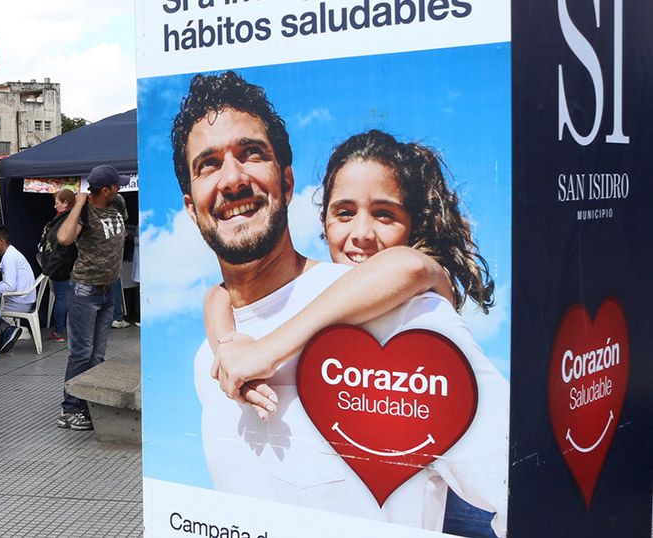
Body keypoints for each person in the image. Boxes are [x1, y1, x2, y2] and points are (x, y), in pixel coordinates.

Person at [171, 71, 507, 535]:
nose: (232, 178)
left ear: (287, 182)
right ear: (191, 206)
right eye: (208, 163)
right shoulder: (209, 359)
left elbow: (525, 483)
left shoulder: (400, 317)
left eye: (251, 153)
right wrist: (227, 338)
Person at [55, 166, 129, 431]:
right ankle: (69, 409)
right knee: (81, 352)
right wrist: (79, 203)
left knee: (97, 354)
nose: (120, 189)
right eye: (116, 186)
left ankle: (88, 404)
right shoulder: (84, 212)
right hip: (85, 290)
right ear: (105, 189)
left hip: (108, 290)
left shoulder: (117, 204)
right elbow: (64, 238)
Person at [0, 226, 35, 353]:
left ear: (1, 241)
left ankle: (4, 332)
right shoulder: (11, 254)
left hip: (19, 303)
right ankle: (2, 333)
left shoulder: (9, 257)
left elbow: (10, 286)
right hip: (23, 300)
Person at [37, 189, 77, 341]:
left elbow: (59, 244)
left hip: (61, 265)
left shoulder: (63, 221)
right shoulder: (72, 218)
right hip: (69, 265)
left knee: (61, 298)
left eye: (57, 203)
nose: (55, 206)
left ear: (66, 203)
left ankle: (58, 331)